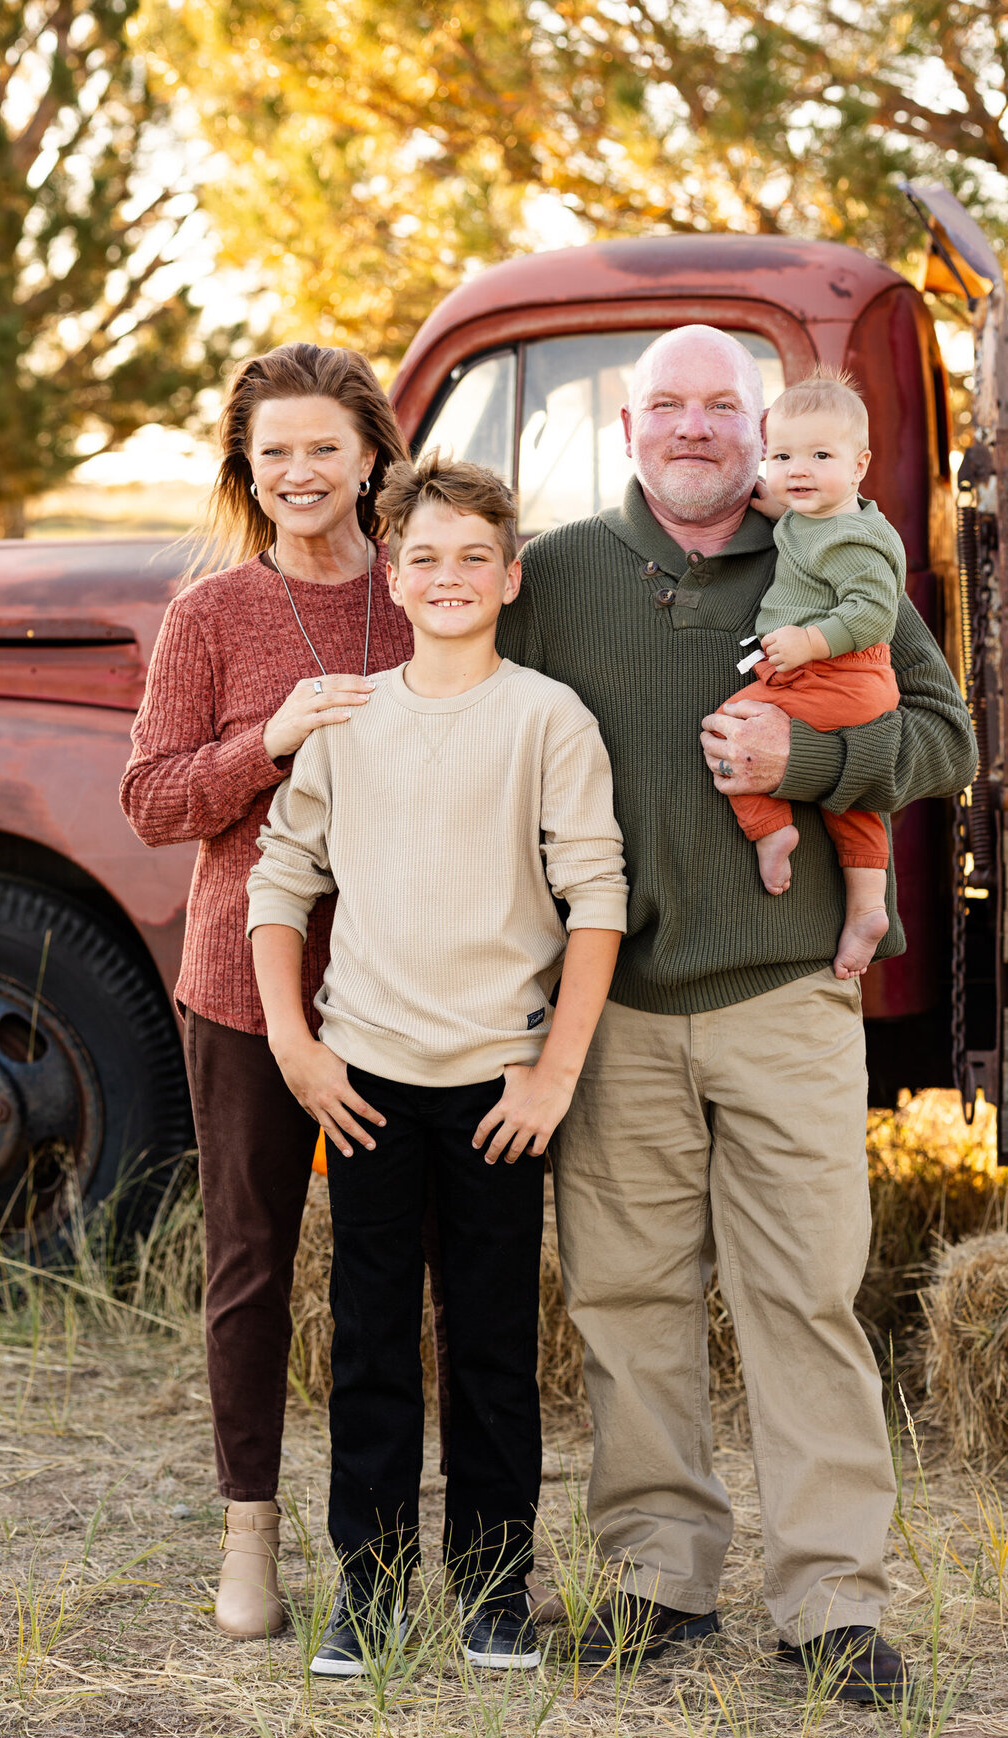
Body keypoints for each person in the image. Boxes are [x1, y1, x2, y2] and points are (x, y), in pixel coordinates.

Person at [496, 323, 977, 1703]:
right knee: (627, 1296)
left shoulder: (831, 547)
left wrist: (810, 756)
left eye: (724, 406)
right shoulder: (564, 576)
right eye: (671, 407)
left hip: (785, 993)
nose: (697, 429)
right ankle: (657, 1578)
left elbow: (945, 737)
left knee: (805, 1297)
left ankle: (831, 1602)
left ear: (763, 429)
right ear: (629, 426)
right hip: (618, 1008)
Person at [245, 453, 627, 1676]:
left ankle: (494, 1588)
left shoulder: (546, 718)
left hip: (498, 1089)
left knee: (494, 1346)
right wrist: (296, 1045)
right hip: (361, 1081)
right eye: (425, 558)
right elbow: (281, 882)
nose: (450, 576)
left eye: (475, 557)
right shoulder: (349, 718)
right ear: (392, 580)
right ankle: (370, 1589)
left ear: (511, 577)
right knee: (367, 1344)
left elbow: (597, 898)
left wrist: (554, 1074)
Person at [121, 343, 411, 1640]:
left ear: (369, 457)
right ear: (246, 466)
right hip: (244, 989)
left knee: (399, 1271)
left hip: (407, 989)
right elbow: (152, 800)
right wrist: (270, 740)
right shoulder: (209, 616)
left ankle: (397, 1542)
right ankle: (250, 1540)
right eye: (274, 450)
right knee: (252, 1262)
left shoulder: (424, 593)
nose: (300, 471)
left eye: (324, 447)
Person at [721, 370, 903, 981]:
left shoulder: (856, 538)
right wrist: (765, 498)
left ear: (859, 465)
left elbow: (873, 613)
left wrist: (808, 640)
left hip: (839, 672)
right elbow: (793, 525)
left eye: (819, 455)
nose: (797, 469)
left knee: (732, 728)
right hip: (833, 676)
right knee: (850, 805)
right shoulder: (812, 518)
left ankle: (770, 831)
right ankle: (868, 909)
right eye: (782, 455)